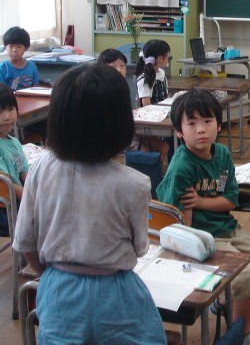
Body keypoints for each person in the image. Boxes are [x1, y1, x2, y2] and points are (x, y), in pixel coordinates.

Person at [12, 64, 166, 344]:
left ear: (57, 121)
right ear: (120, 124)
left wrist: (55, 275)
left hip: (59, 288)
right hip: (116, 291)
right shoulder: (135, 184)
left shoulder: (41, 169)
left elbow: (25, 241)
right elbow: (140, 247)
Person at [156, 88, 250, 345]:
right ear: (179, 131)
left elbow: (229, 199)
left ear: (219, 124)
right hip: (203, 239)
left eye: (207, 121)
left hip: (228, 229)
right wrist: (194, 259)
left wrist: (202, 201)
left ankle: (225, 301)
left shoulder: (223, 155)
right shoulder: (183, 166)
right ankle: (241, 333)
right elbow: (183, 224)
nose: (201, 129)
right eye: (191, 124)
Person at [136, 39, 171, 161]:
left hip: (164, 116)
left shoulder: (161, 73)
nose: (169, 58)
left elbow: (165, 95)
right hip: (152, 121)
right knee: (167, 145)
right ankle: (157, 167)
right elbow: (147, 107)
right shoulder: (145, 79)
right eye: (167, 55)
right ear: (160, 58)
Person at [0, 84, 28, 236]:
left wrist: (35, 189)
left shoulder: (15, 143)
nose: (6, 117)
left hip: (16, 199)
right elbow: (7, 183)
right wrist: (30, 197)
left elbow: (25, 173)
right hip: (4, 208)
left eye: (11, 109)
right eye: (0, 112)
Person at [0, 26, 39, 91]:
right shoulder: (2, 68)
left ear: (26, 48)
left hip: (29, 96)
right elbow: (2, 92)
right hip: (9, 97)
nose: (14, 50)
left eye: (19, 46)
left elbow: (36, 87)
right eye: (11, 46)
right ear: (5, 47)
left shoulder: (32, 66)